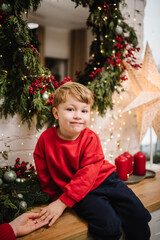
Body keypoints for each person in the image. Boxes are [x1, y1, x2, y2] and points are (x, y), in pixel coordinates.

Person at [34, 82, 151, 240]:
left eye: (84, 111)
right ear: (56, 113)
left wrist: (62, 202)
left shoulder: (90, 138)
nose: (78, 116)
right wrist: (58, 199)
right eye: (70, 109)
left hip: (107, 180)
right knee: (109, 226)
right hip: (82, 192)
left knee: (139, 215)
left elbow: (88, 172)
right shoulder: (45, 140)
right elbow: (44, 173)